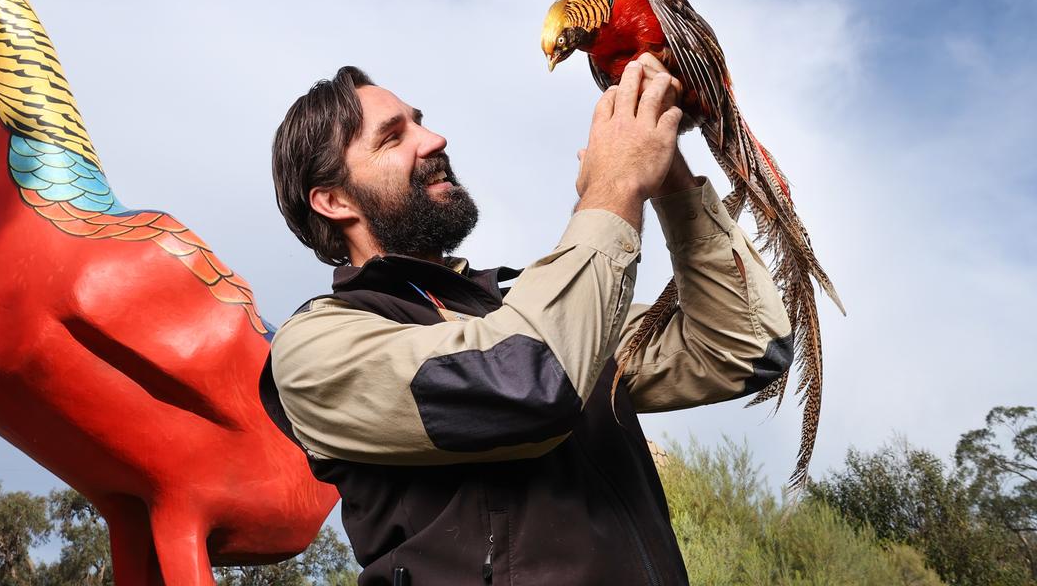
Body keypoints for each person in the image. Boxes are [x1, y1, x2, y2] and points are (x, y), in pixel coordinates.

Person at [261, 57, 792, 585]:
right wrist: (615, 186)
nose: (434, 139)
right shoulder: (315, 348)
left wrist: (667, 173)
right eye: (393, 137)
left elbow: (745, 347)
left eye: (420, 120)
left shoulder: (530, 311)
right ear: (332, 200)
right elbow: (528, 382)